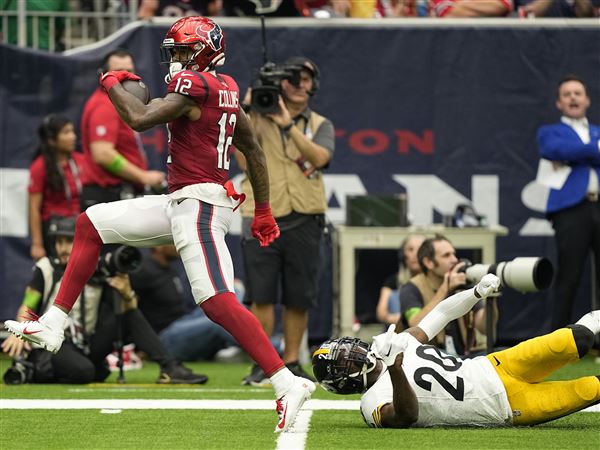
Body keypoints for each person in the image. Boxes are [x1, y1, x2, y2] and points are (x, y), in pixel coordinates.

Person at [5, 16, 314, 434]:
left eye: (184, 51)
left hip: (200, 204)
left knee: (216, 300)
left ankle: (285, 380)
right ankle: (54, 324)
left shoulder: (196, 86)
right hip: (182, 201)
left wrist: (111, 81)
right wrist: (261, 211)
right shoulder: (224, 88)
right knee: (89, 224)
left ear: (204, 52)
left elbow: (138, 117)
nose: (177, 59)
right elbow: (254, 153)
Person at [312, 274, 600, 428]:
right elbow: (405, 417)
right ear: (344, 382)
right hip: (505, 408)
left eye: (346, 348)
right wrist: (395, 367)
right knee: (591, 389)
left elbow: (440, 314)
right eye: (344, 362)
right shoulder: (371, 403)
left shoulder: (397, 341)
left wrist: (475, 293)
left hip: (496, 366)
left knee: (578, 338)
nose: (353, 353)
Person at [2, 217, 207, 385]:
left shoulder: (98, 269)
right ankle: (36, 369)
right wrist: (22, 329)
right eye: (59, 242)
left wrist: (127, 294)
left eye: (68, 241)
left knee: (125, 320)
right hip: (52, 345)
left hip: (85, 344)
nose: (63, 248)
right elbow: (29, 301)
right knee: (86, 371)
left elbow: (129, 314)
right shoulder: (45, 267)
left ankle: (170, 367)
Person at [235, 56, 334, 386]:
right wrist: (246, 110)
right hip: (261, 213)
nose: (302, 86)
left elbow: (320, 158)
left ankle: (291, 361)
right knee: (261, 294)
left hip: (306, 214)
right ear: (281, 84)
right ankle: (265, 363)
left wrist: (287, 123)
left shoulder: (319, 123)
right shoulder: (254, 120)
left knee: (298, 295)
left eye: (307, 80)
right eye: (295, 80)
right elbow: (241, 161)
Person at [537, 75, 600, 330]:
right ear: (559, 103)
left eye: (578, 93)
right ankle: (558, 341)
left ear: (587, 100)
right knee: (569, 276)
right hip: (572, 211)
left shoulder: (596, 131)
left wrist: (576, 154)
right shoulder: (550, 132)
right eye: (567, 94)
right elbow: (554, 150)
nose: (573, 97)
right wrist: (594, 150)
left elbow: (567, 153)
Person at [80, 48, 165, 210]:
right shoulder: (104, 104)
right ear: (104, 75)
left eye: (130, 71)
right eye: (118, 71)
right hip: (106, 196)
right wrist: (143, 176)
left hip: (117, 194)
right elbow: (103, 154)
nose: (125, 76)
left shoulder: (118, 104)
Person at [129, 245, 239, 361]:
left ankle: (245, 341)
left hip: (182, 323)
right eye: (171, 241)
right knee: (219, 323)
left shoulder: (170, 269)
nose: (177, 244)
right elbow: (127, 307)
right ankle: (256, 345)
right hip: (164, 338)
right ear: (158, 246)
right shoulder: (143, 270)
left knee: (233, 291)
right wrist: (141, 347)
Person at [399, 235, 497, 356]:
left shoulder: (463, 284)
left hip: (461, 356)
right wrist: (445, 289)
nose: (454, 260)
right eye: (446, 255)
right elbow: (415, 324)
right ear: (428, 262)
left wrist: (490, 296)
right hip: (427, 357)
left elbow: (484, 327)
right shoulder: (411, 288)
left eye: (454, 254)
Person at [28, 114, 85, 261]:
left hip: (80, 227)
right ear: (52, 140)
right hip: (54, 232)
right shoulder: (40, 167)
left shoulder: (82, 161)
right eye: (66, 132)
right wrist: (37, 244)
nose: (73, 137)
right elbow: (34, 207)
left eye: (73, 131)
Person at [376, 234, 425, 327]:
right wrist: (403, 319)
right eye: (410, 249)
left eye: (420, 249)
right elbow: (381, 313)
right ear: (403, 255)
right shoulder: (393, 281)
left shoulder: (433, 282)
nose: (415, 254)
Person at [430, 0, 512, 17]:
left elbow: (503, 5)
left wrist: (460, 4)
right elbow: (449, 13)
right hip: (455, 46)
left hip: (492, 42)